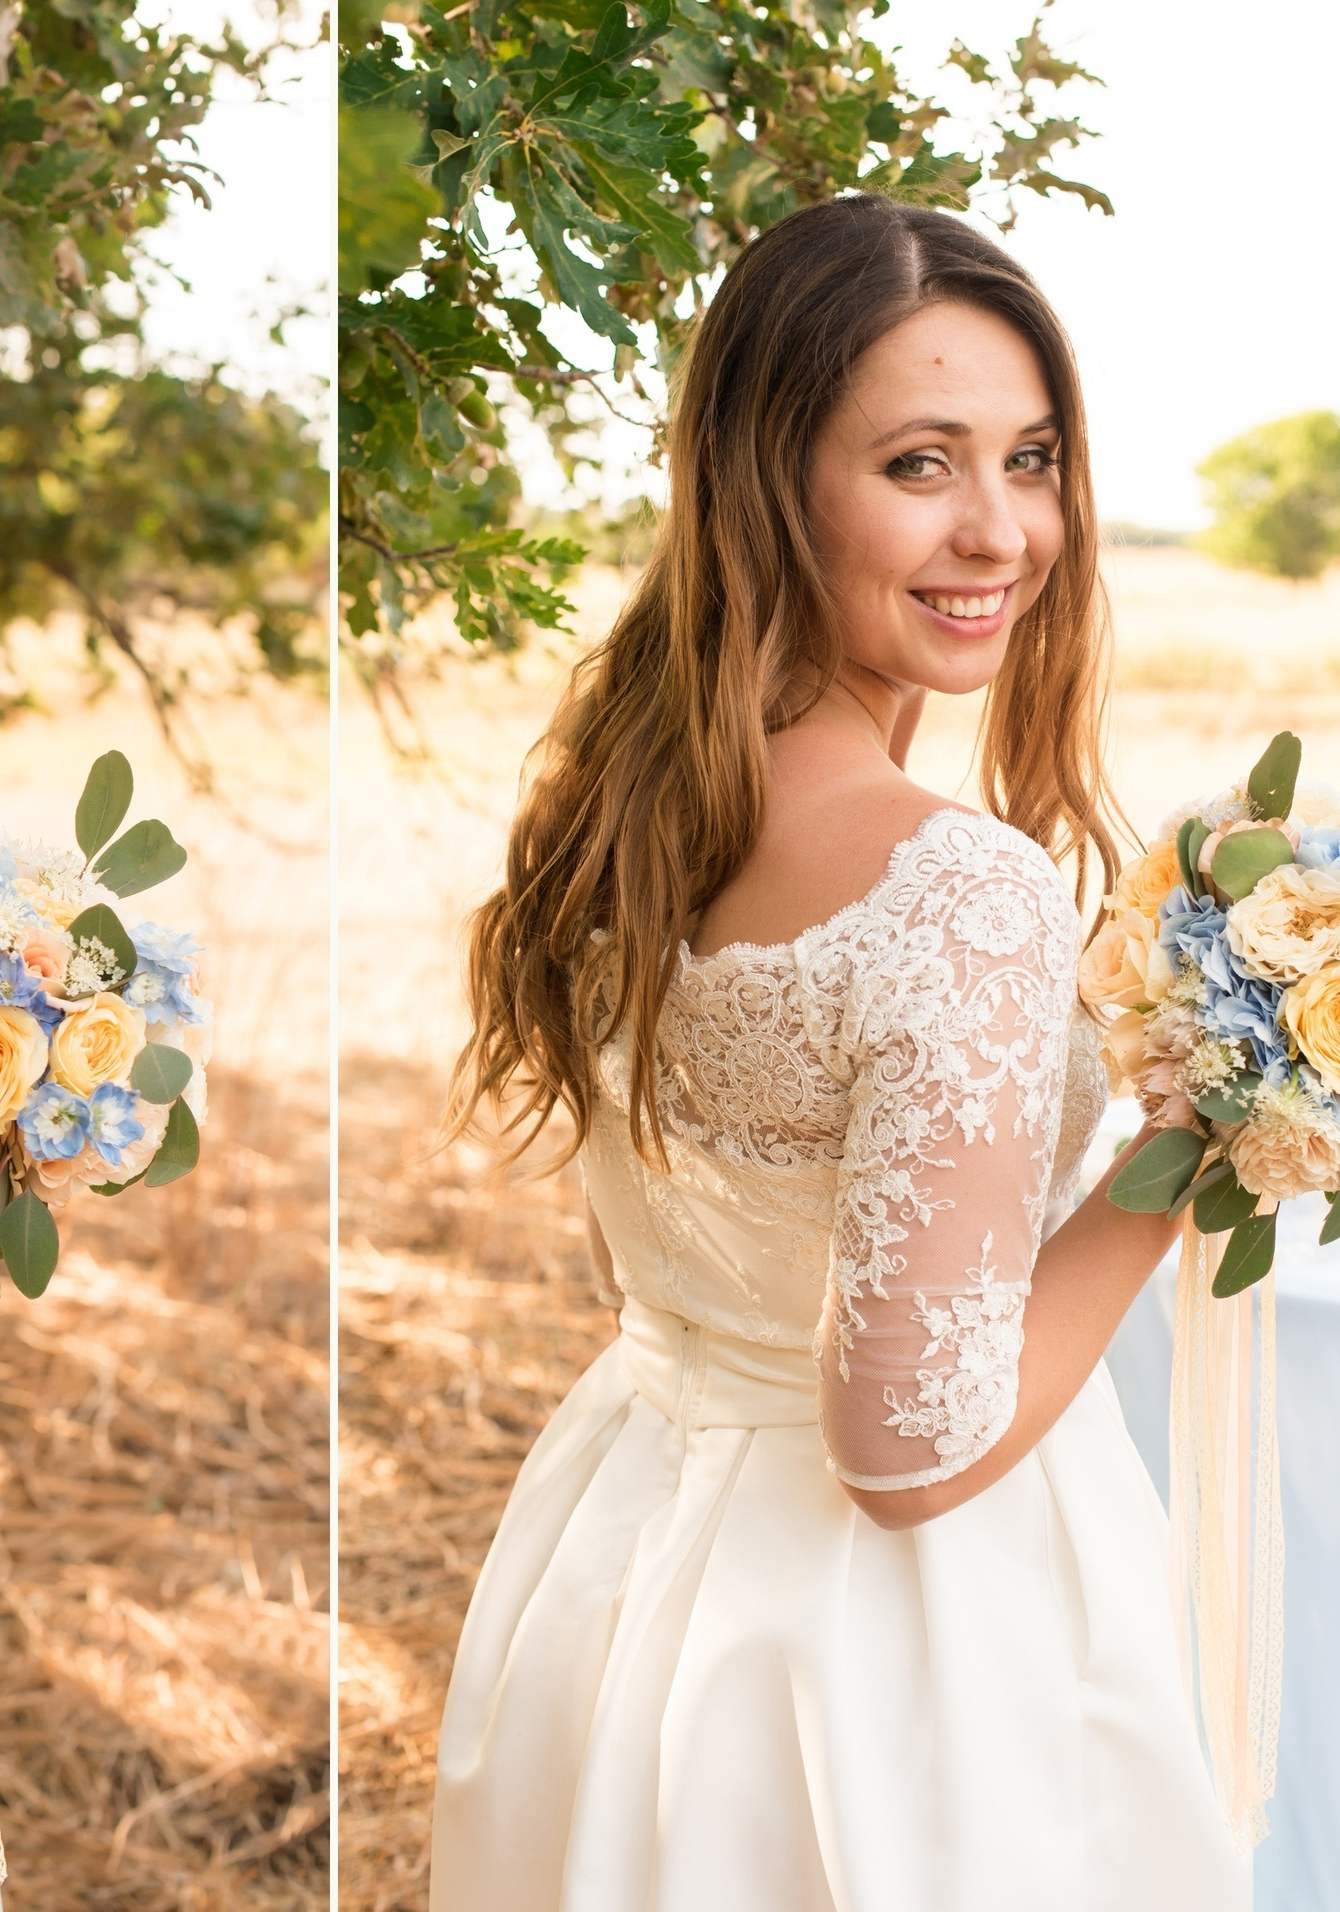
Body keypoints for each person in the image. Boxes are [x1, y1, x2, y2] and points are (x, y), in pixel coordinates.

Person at [433, 194, 1246, 1909]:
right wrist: (1193, 1150)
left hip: (627, 1558)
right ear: (769, 480)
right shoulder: (954, 886)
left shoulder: (627, 808)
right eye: (920, 464)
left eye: (1031, 460)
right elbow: (912, 1450)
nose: (1001, 530)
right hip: (885, 1667)